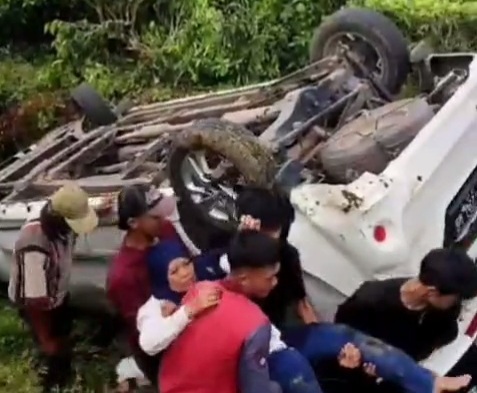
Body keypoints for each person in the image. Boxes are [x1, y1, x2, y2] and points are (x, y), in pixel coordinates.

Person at [155, 231, 322, 393]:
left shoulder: (201, 289)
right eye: (269, 277)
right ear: (244, 279)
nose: (275, 282)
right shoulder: (255, 323)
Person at [8, 183, 98, 392]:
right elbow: (35, 302)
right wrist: (46, 337)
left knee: (63, 329)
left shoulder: (60, 226)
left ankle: (59, 354)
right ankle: (54, 380)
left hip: (56, 292)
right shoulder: (34, 244)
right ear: (59, 219)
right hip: (38, 301)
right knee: (53, 345)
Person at [335, 247, 477, 361]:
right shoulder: (367, 304)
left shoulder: (444, 309)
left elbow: (447, 333)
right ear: (431, 292)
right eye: (457, 298)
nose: (459, 303)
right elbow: (339, 343)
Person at [107, 184, 182, 386]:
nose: (164, 220)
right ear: (133, 222)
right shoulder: (123, 276)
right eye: (155, 217)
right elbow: (145, 332)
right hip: (161, 352)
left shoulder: (165, 230)